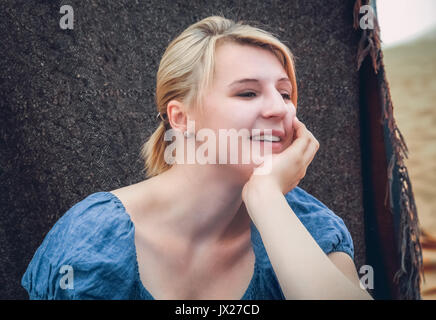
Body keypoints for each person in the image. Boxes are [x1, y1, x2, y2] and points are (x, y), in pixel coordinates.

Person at [21, 15, 373, 300]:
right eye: (248, 92)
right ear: (181, 118)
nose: (279, 108)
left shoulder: (306, 226)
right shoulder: (93, 239)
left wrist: (266, 197)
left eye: (285, 92)